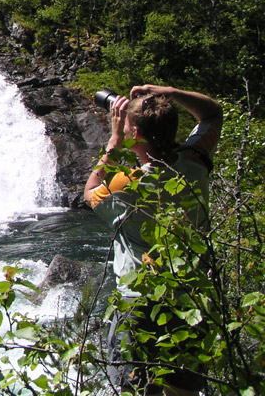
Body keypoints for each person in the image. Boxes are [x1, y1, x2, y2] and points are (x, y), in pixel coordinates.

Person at [83, 84, 223, 396]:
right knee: (183, 388)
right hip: (190, 298)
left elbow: (90, 193)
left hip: (138, 301)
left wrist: (114, 140)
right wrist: (168, 92)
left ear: (134, 132)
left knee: (135, 389)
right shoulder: (197, 160)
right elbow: (212, 113)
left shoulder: (125, 183)